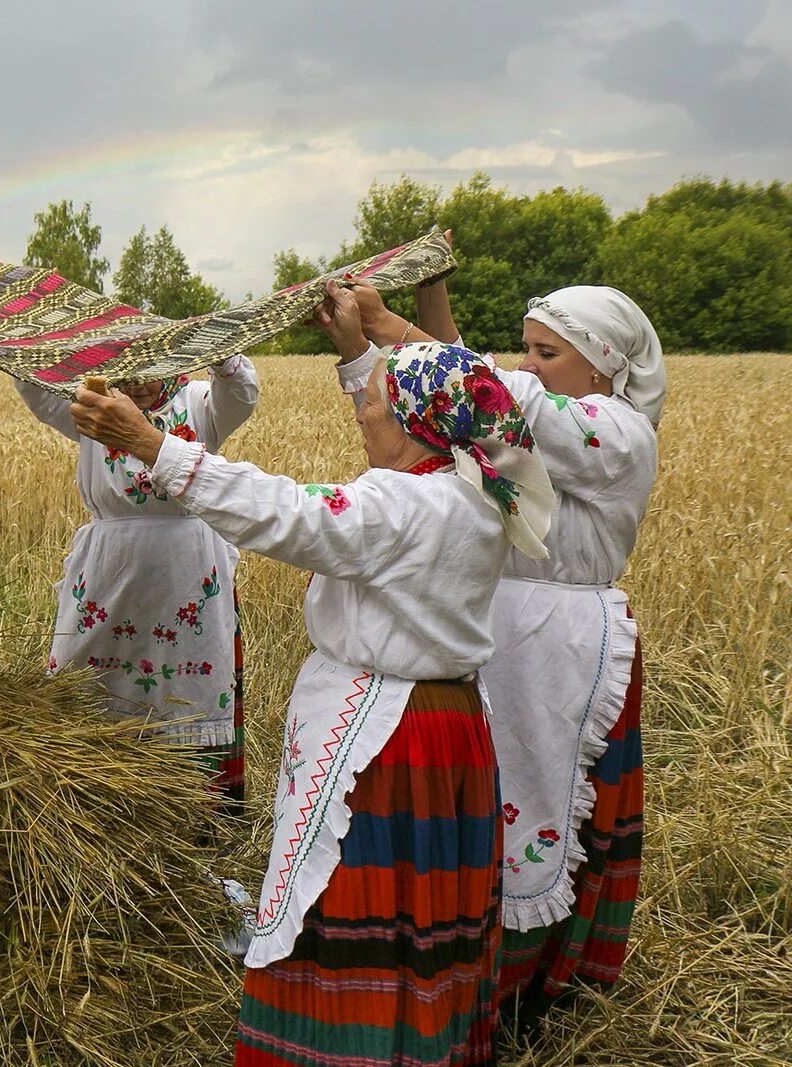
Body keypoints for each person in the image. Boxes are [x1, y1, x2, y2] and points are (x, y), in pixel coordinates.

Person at [69, 282, 556, 1067]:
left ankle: (346, 1050)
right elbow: (391, 419)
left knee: (354, 906)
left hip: (386, 743)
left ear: (412, 422)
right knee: (418, 914)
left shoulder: (397, 507)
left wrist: (153, 445)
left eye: (374, 400)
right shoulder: (472, 487)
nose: (362, 409)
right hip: (447, 731)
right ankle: (420, 1044)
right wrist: (354, 348)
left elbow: (282, 511)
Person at [347, 266, 658, 1026]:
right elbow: (455, 388)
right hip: (501, 634)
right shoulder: (539, 416)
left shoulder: (616, 433)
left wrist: (389, 328)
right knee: (490, 806)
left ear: (604, 364)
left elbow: (484, 390)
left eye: (546, 353)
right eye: (526, 348)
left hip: (563, 645)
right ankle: (478, 975)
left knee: (548, 813)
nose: (527, 366)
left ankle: (538, 985)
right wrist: (405, 307)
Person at [17, 357, 257, 806]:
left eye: (151, 371)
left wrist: (222, 353)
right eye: (128, 373)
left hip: (186, 572)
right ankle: (94, 799)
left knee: (186, 690)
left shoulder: (198, 402)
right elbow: (37, 391)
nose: (140, 385)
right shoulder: (97, 408)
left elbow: (241, 395)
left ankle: (196, 810)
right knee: (86, 681)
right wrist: (47, 345)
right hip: (109, 569)